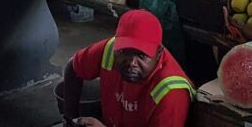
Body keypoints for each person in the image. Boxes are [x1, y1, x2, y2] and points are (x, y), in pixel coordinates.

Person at [62, 10, 193, 127]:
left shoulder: (171, 94)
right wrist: (70, 119)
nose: (131, 62)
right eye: (124, 52)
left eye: (141, 55)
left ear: (159, 53)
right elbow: (73, 67)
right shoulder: (109, 49)